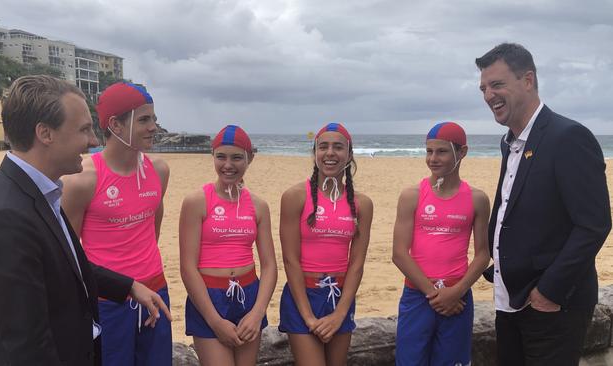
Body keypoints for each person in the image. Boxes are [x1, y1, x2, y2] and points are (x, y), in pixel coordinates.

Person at [0, 75, 171, 366]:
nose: (92, 141)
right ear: (45, 134)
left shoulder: (40, 191)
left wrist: (128, 286)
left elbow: (68, 264)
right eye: (84, 129)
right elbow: (26, 344)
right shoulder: (5, 216)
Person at [476, 43, 611, 365]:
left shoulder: (568, 137)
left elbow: (594, 223)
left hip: (552, 305)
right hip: (510, 298)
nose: (488, 95)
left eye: (497, 84)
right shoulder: (509, 142)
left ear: (528, 80)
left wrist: (549, 292)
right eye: (483, 88)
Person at [61, 82, 172, 365]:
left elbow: (152, 230)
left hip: (155, 291)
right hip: (108, 300)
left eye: (154, 119)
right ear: (116, 125)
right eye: (144, 119)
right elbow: (70, 255)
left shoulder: (158, 170)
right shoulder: (81, 179)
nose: (154, 127)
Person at [392, 121, 490, 365]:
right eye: (429, 151)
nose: (433, 158)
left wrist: (456, 292)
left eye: (442, 151)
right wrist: (434, 294)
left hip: (458, 298)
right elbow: (399, 253)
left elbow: (482, 254)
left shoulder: (477, 199)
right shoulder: (411, 195)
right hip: (418, 296)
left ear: (462, 152)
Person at [179, 125, 277, 366]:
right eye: (221, 156)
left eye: (236, 157)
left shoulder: (258, 206)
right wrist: (214, 321)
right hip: (209, 298)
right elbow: (188, 268)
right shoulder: (197, 202)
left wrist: (258, 312)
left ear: (250, 158)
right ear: (212, 156)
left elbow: (269, 265)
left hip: (248, 297)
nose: (228, 165)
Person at [279, 123, 373, 366]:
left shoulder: (362, 204)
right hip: (303, 296)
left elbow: (357, 264)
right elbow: (290, 260)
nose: (330, 153)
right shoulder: (295, 196)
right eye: (323, 147)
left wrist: (340, 312)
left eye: (338, 147)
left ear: (349, 154)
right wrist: (308, 317)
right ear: (315, 152)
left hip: (339, 297)